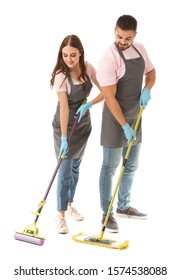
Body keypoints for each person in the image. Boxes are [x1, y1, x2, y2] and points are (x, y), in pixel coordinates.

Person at [96, 15, 156, 233]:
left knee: (130, 165)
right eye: (119, 36)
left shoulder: (139, 48)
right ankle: (107, 214)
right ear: (114, 31)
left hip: (135, 116)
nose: (123, 41)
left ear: (135, 35)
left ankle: (123, 206)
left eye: (127, 38)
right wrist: (124, 126)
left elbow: (151, 72)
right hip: (115, 120)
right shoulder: (109, 58)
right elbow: (110, 98)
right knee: (110, 168)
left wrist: (147, 88)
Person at [50, 34, 103, 234]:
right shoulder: (61, 75)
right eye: (65, 55)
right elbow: (64, 107)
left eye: (73, 55)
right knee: (64, 170)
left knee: (75, 168)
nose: (69, 59)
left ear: (80, 52)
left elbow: (106, 90)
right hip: (64, 126)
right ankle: (61, 215)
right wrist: (63, 137)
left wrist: (90, 103)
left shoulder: (88, 68)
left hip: (82, 126)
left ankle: (70, 204)